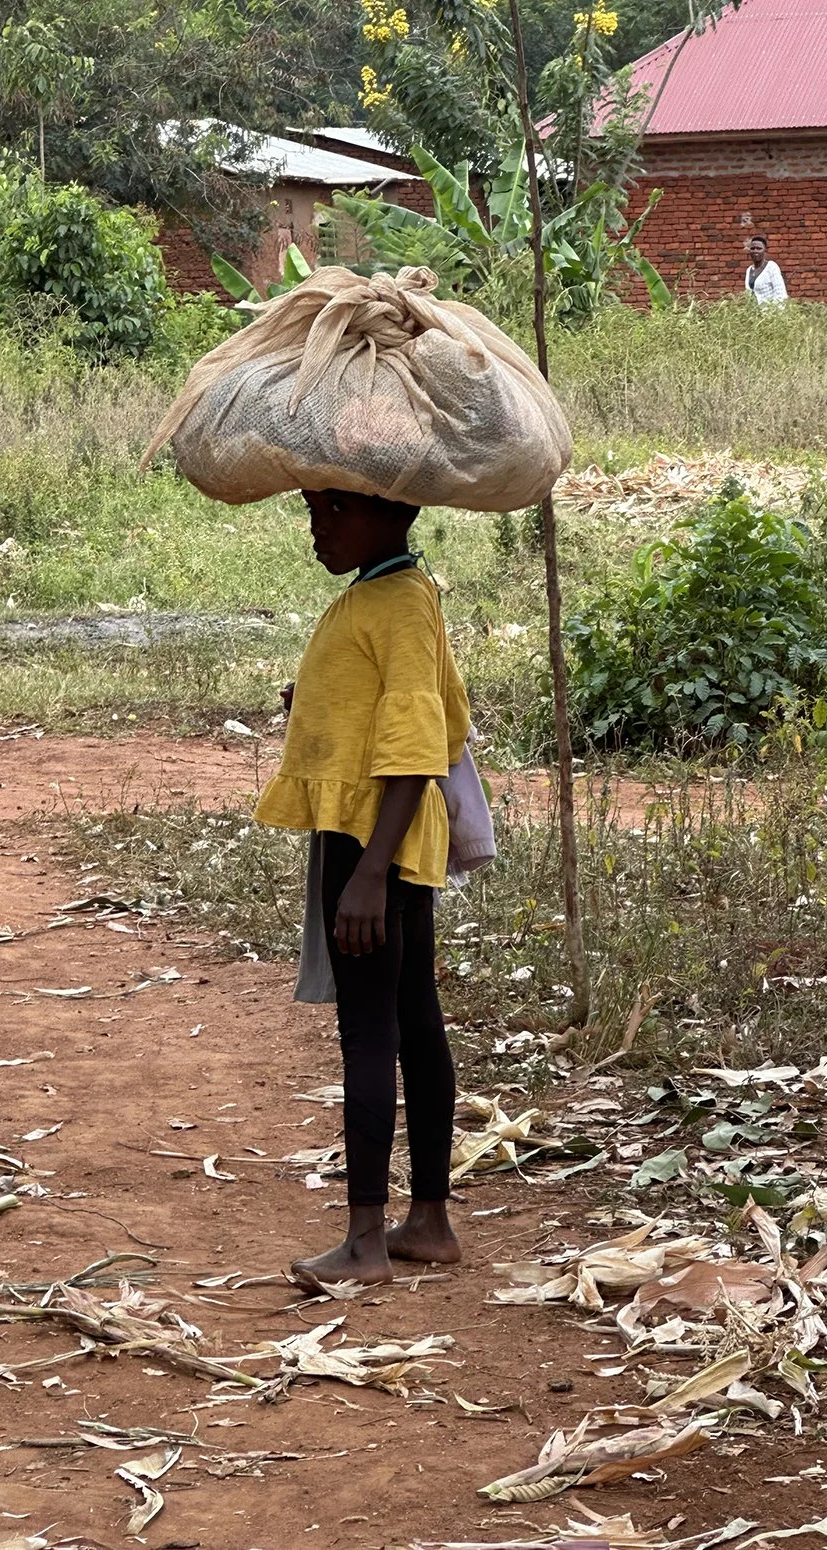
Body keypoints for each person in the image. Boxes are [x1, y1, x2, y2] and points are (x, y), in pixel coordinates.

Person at [255, 487, 470, 1287]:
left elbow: (418, 746)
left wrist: (369, 876)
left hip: (371, 844)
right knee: (414, 1023)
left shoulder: (402, 602)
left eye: (330, 513)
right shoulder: (389, 590)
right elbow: (390, 707)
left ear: (385, 512)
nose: (317, 528)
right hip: (385, 841)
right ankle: (428, 1224)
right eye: (314, 512)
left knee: (370, 1032)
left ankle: (363, 1240)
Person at [744, 234, 788, 305]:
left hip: (770, 313)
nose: (755, 251)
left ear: (765, 250)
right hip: (754, 314)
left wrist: (774, 313)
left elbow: (781, 294)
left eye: (759, 248)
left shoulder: (771, 267)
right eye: (752, 248)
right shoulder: (749, 270)